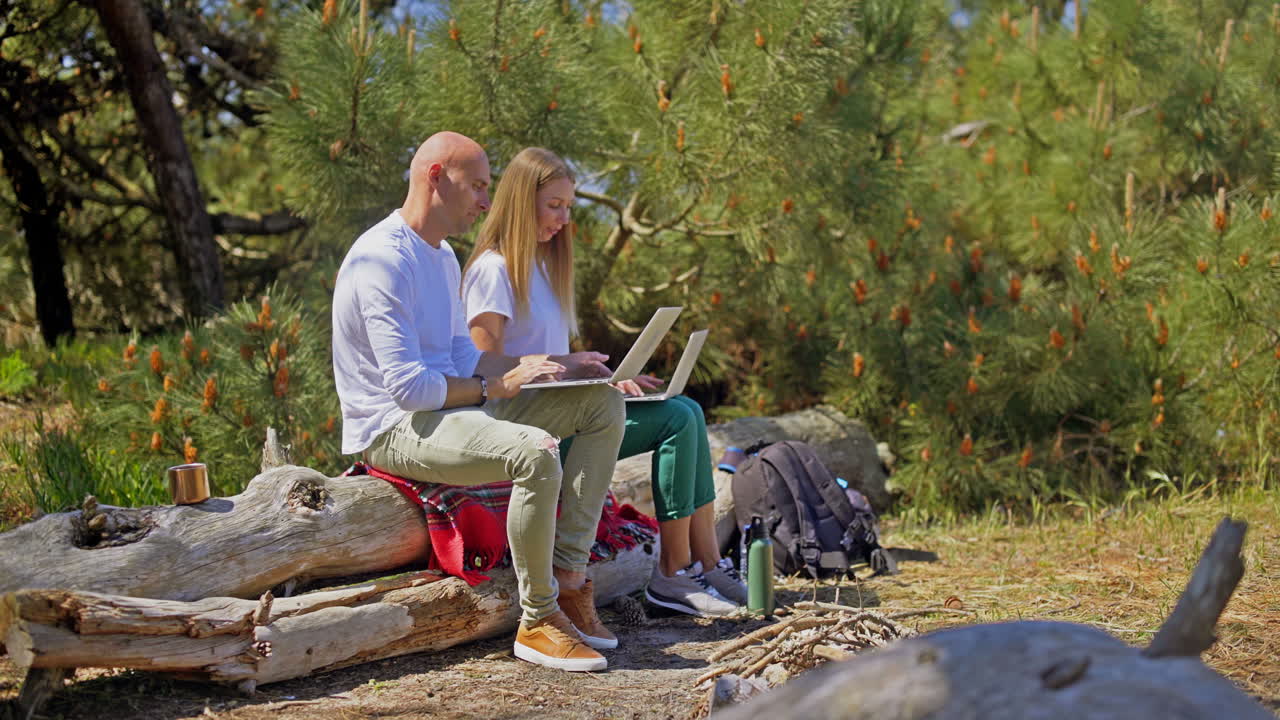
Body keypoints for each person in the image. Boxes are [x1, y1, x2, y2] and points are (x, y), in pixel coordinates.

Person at [332, 131, 627, 672]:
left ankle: (567, 579)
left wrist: (548, 368)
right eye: (478, 186)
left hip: (450, 412)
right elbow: (410, 390)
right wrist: (498, 388)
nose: (488, 202)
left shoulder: (441, 257)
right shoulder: (380, 259)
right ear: (436, 176)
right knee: (535, 452)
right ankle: (536, 621)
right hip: (393, 427)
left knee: (601, 405)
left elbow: (464, 358)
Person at [462, 147, 747, 618]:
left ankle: (706, 563)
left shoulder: (542, 268)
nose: (564, 218)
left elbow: (553, 369)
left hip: (565, 413)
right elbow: (482, 363)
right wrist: (568, 364)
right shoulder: (493, 271)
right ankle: (673, 574)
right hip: (522, 427)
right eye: (555, 205)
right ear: (519, 201)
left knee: (688, 410)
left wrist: (604, 380)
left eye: (569, 207)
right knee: (676, 419)